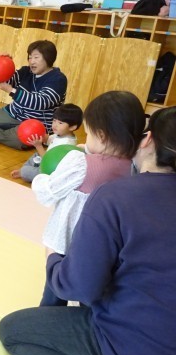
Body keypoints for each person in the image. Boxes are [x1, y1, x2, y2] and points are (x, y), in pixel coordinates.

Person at [0, 106, 176, 355]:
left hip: (139, 352)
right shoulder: (120, 176)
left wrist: (52, 258)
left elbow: (79, 287)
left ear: (148, 140)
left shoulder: (116, 196)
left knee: (12, 331)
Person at [32, 91, 145, 307]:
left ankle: (47, 316)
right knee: (91, 286)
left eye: (88, 134)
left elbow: (47, 192)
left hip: (68, 237)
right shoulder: (134, 165)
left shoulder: (79, 162)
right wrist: (87, 149)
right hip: (102, 244)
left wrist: (41, 178)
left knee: (56, 287)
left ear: (101, 135)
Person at [0, 40, 67, 150]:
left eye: (36, 57)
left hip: (35, 123)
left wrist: (10, 90)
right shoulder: (26, 71)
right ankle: (7, 130)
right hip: (14, 113)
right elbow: (6, 81)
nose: (31, 61)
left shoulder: (58, 79)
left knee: (20, 141)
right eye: (30, 57)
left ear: (48, 58)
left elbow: (40, 102)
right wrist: (6, 65)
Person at [11, 103, 83, 182]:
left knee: (26, 171)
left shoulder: (66, 143)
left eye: (60, 123)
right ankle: (23, 170)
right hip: (46, 160)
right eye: (54, 121)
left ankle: (24, 172)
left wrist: (38, 146)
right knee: (36, 155)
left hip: (50, 171)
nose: (55, 125)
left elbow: (48, 161)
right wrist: (38, 133)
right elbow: (48, 139)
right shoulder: (60, 134)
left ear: (72, 127)